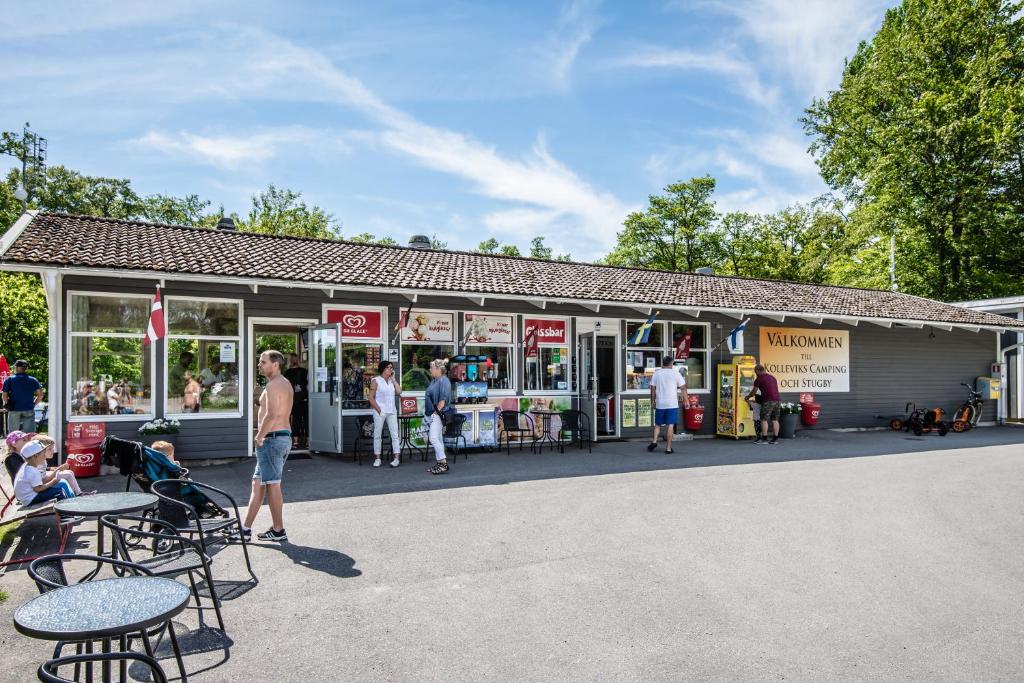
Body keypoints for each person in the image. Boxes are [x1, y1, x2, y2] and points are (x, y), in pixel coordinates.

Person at [237, 350, 293, 543]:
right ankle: (244, 529)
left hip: (271, 439)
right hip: (279, 438)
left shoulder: (273, 385)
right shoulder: (284, 383)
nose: (260, 365)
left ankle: (279, 530)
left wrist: (259, 437)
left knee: (272, 484)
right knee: (258, 484)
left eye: (263, 362)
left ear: (275, 364)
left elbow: (271, 415)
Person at [13, 440, 76, 506]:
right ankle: (66, 514)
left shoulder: (27, 467)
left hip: (27, 497)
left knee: (58, 490)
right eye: (43, 455)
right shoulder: (33, 471)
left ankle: (70, 508)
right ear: (36, 455)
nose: (45, 457)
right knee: (60, 492)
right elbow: (38, 489)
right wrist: (52, 482)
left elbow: (39, 485)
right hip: (30, 498)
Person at [647, 355, 689, 454]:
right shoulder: (676, 374)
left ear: (663, 363)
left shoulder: (657, 373)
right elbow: (683, 388)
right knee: (670, 425)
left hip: (660, 403)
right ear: (671, 363)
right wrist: (686, 401)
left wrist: (652, 401)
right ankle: (668, 448)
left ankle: (654, 441)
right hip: (672, 403)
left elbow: (652, 389)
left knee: (658, 424)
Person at [368, 360, 402, 468]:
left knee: (395, 435)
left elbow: (399, 392)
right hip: (380, 411)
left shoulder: (391, 381)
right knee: (377, 435)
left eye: (392, 367)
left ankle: (396, 458)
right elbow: (370, 398)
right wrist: (379, 410)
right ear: (383, 369)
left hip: (392, 411)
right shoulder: (376, 380)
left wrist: (394, 380)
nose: (391, 369)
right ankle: (377, 458)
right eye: (389, 367)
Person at [424, 359, 451, 475]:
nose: (430, 370)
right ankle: (439, 463)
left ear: (439, 369)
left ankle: (443, 462)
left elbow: (443, 400)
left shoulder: (444, 381)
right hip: (433, 414)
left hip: (439, 414)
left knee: (433, 438)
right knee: (438, 439)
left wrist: (436, 413)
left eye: (432, 368)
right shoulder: (435, 381)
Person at [2, 359, 43, 433]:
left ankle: (14, 445)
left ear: (17, 367)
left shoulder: (10, 380)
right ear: (26, 368)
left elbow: (4, 396)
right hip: (28, 408)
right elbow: (40, 395)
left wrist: (9, 404)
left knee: (14, 435)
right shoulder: (33, 380)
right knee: (29, 434)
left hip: (14, 409)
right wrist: (33, 404)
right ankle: (27, 444)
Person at [746, 364, 781, 445]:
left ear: (758, 371)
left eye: (755, 372)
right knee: (775, 420)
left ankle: (764, 439)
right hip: (777, 400)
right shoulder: (772, 377)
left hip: (768, 401)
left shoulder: (759, 379)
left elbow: (753, 392)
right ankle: (775, 439)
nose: (755, 374)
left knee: (763, 419)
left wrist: (747, 397)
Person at [283, 353, 309, 448]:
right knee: (307, 420)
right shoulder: (304, 371)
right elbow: (308, 384)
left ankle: (296, 441)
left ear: (290, 360)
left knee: (296, 421)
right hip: (305, 398)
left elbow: (285, 386)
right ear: (298, 360)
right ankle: (308, 442)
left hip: (294, 399)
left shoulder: (287, 372)